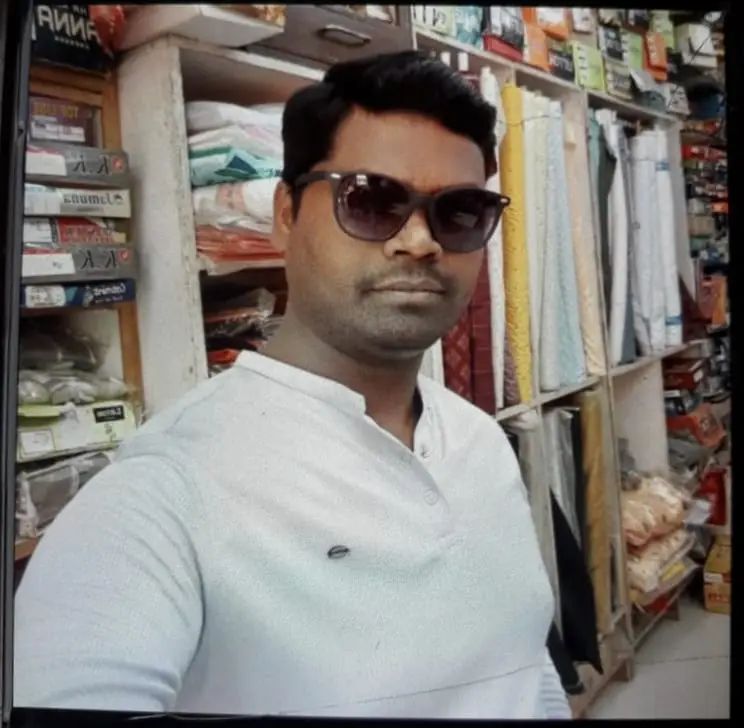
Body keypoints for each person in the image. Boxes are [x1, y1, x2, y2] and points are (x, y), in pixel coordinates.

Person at [14, 51, 570, 719]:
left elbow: (522, 668)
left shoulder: (481, 443)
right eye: (371, 200)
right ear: (285, 214)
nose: (420, 241)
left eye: (460, 212)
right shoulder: (165, 493)